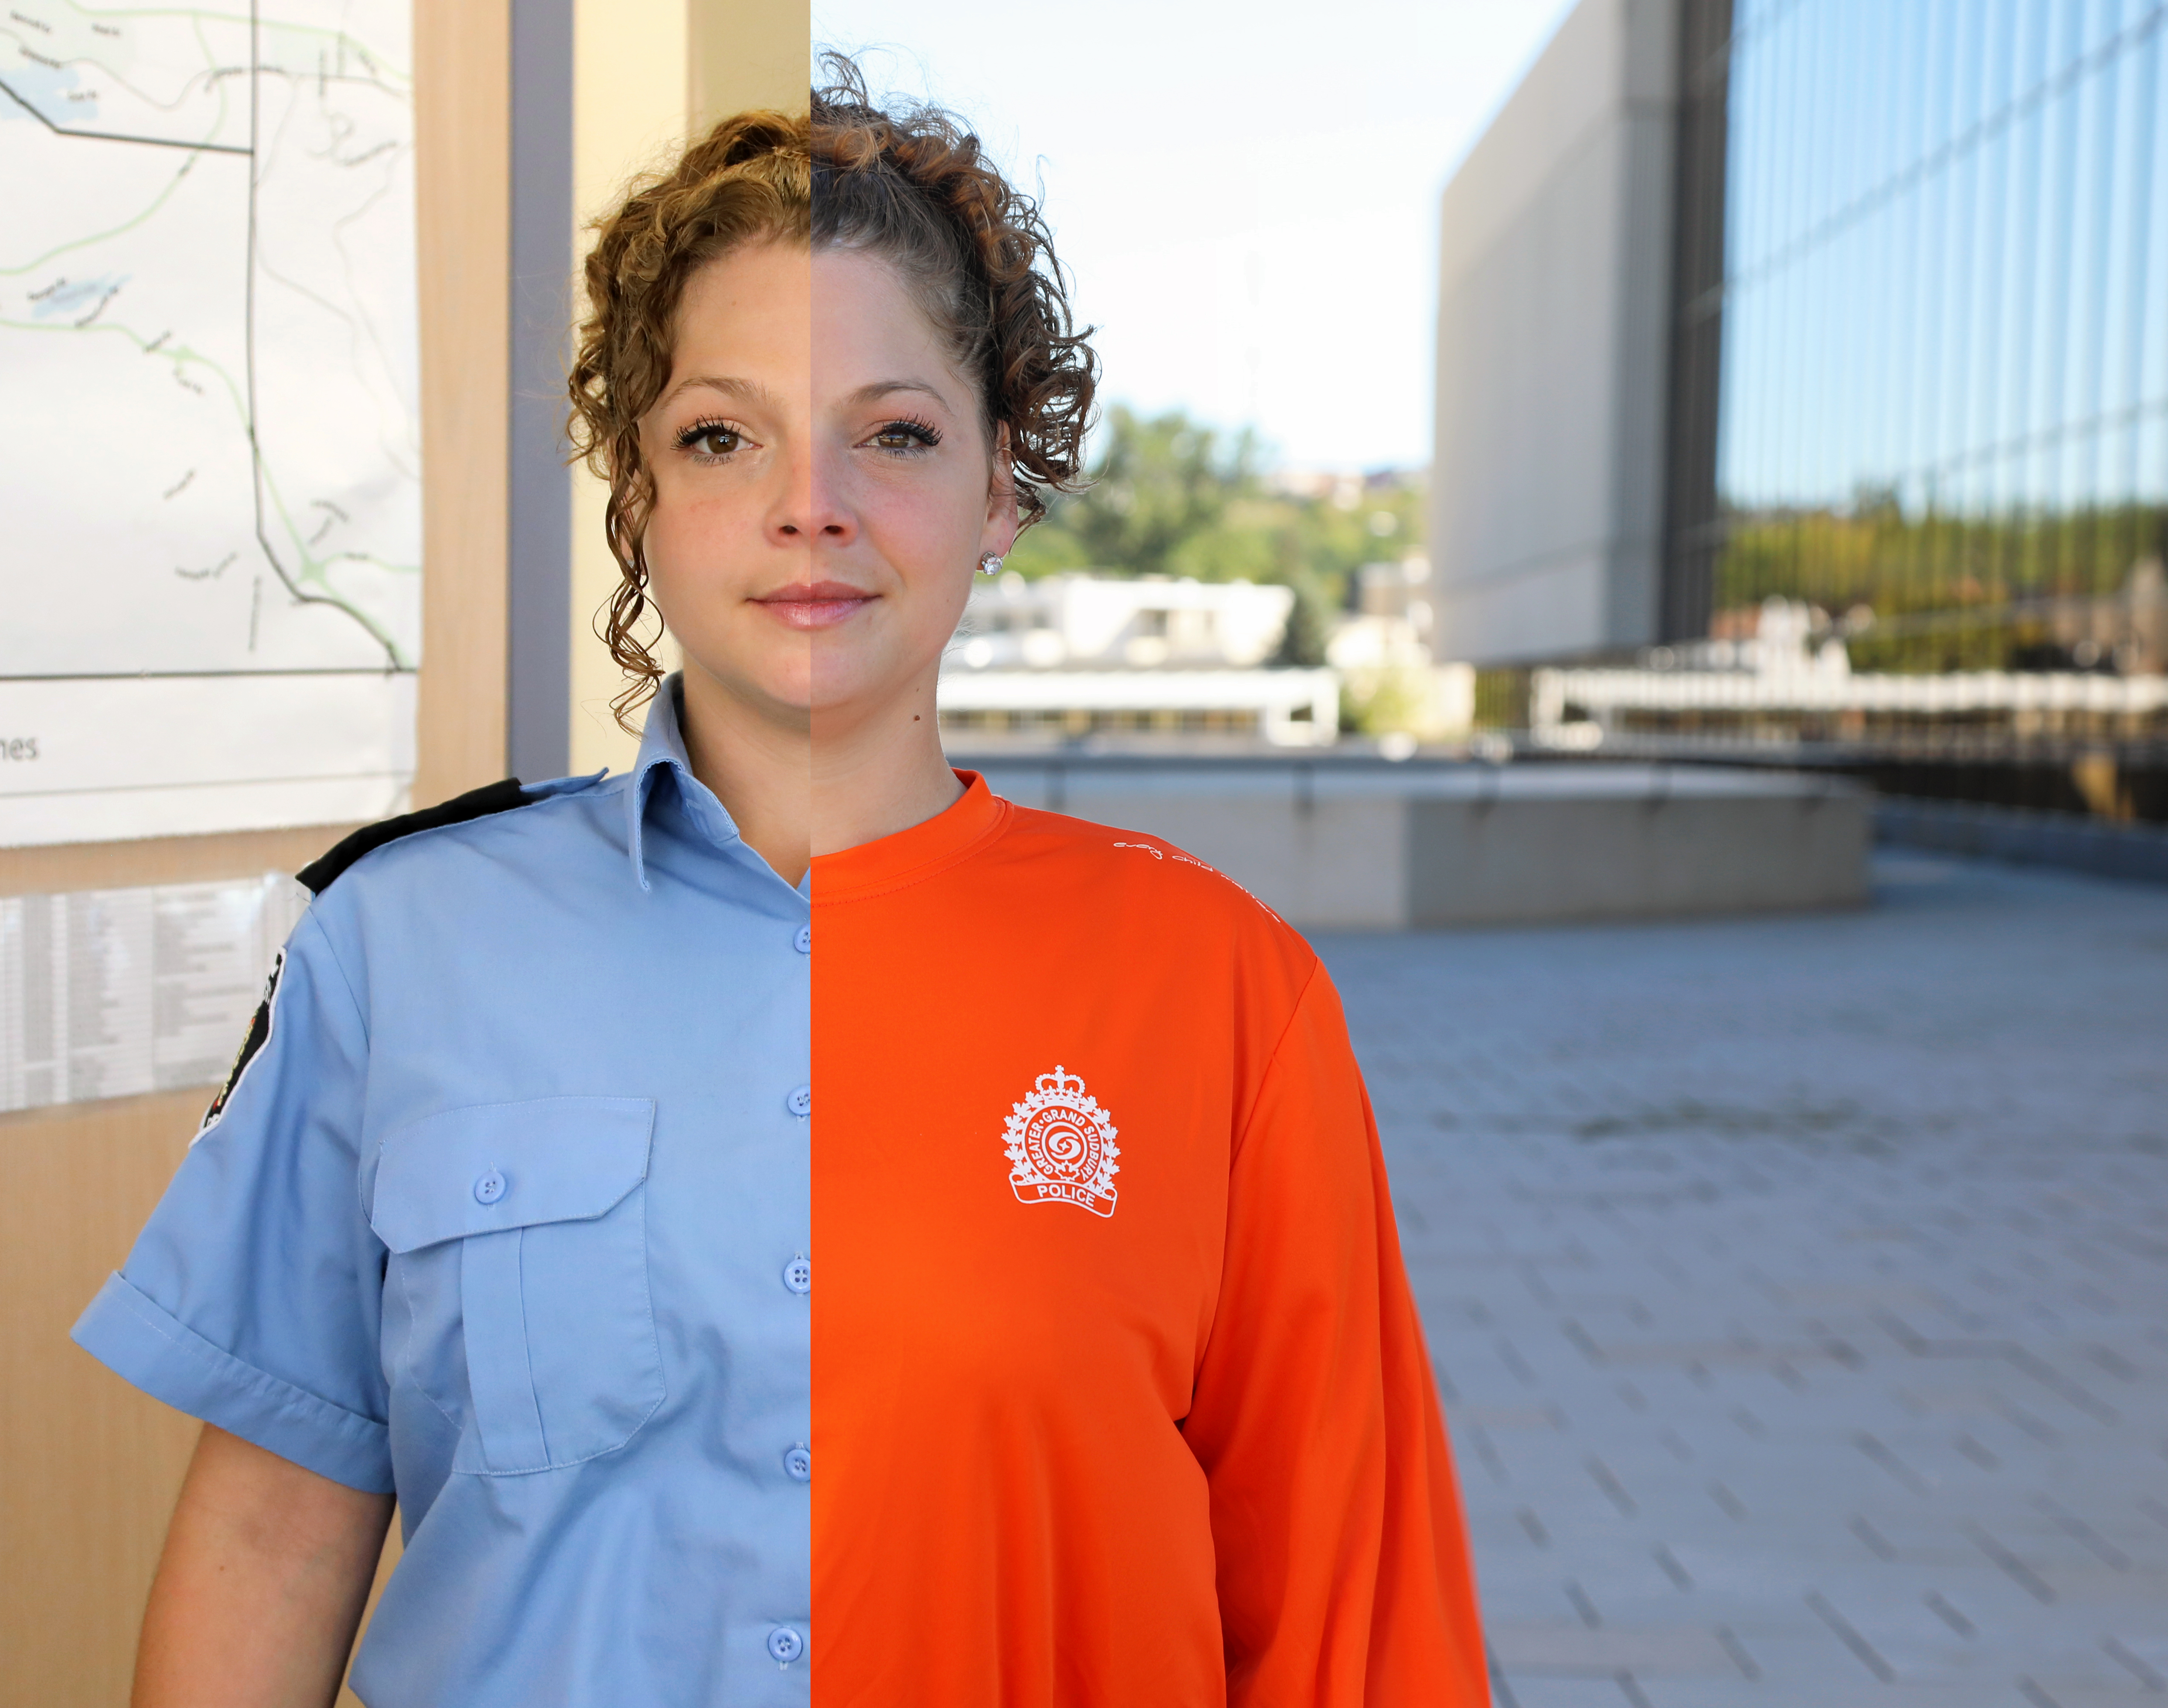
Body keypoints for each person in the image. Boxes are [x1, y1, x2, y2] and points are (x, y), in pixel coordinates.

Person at [74, 63, 1487, 1708]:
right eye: (723, 434)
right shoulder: (399, 946)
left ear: (1002, 488)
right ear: (641, 497)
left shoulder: (1222, 988)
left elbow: (1345, 1622)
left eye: (892, 432)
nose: (809, 504)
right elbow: (269, 1540)